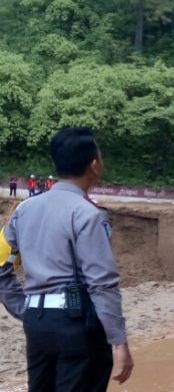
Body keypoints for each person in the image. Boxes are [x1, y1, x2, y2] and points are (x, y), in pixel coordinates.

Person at [0, 127, 133, 391]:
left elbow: (0, 262)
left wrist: (24, 310)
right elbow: (101, 283)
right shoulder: (87, 214)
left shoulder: (24, 209)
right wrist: (119, 342)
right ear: (94, 165)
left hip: (37, 323)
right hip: (78, 325)